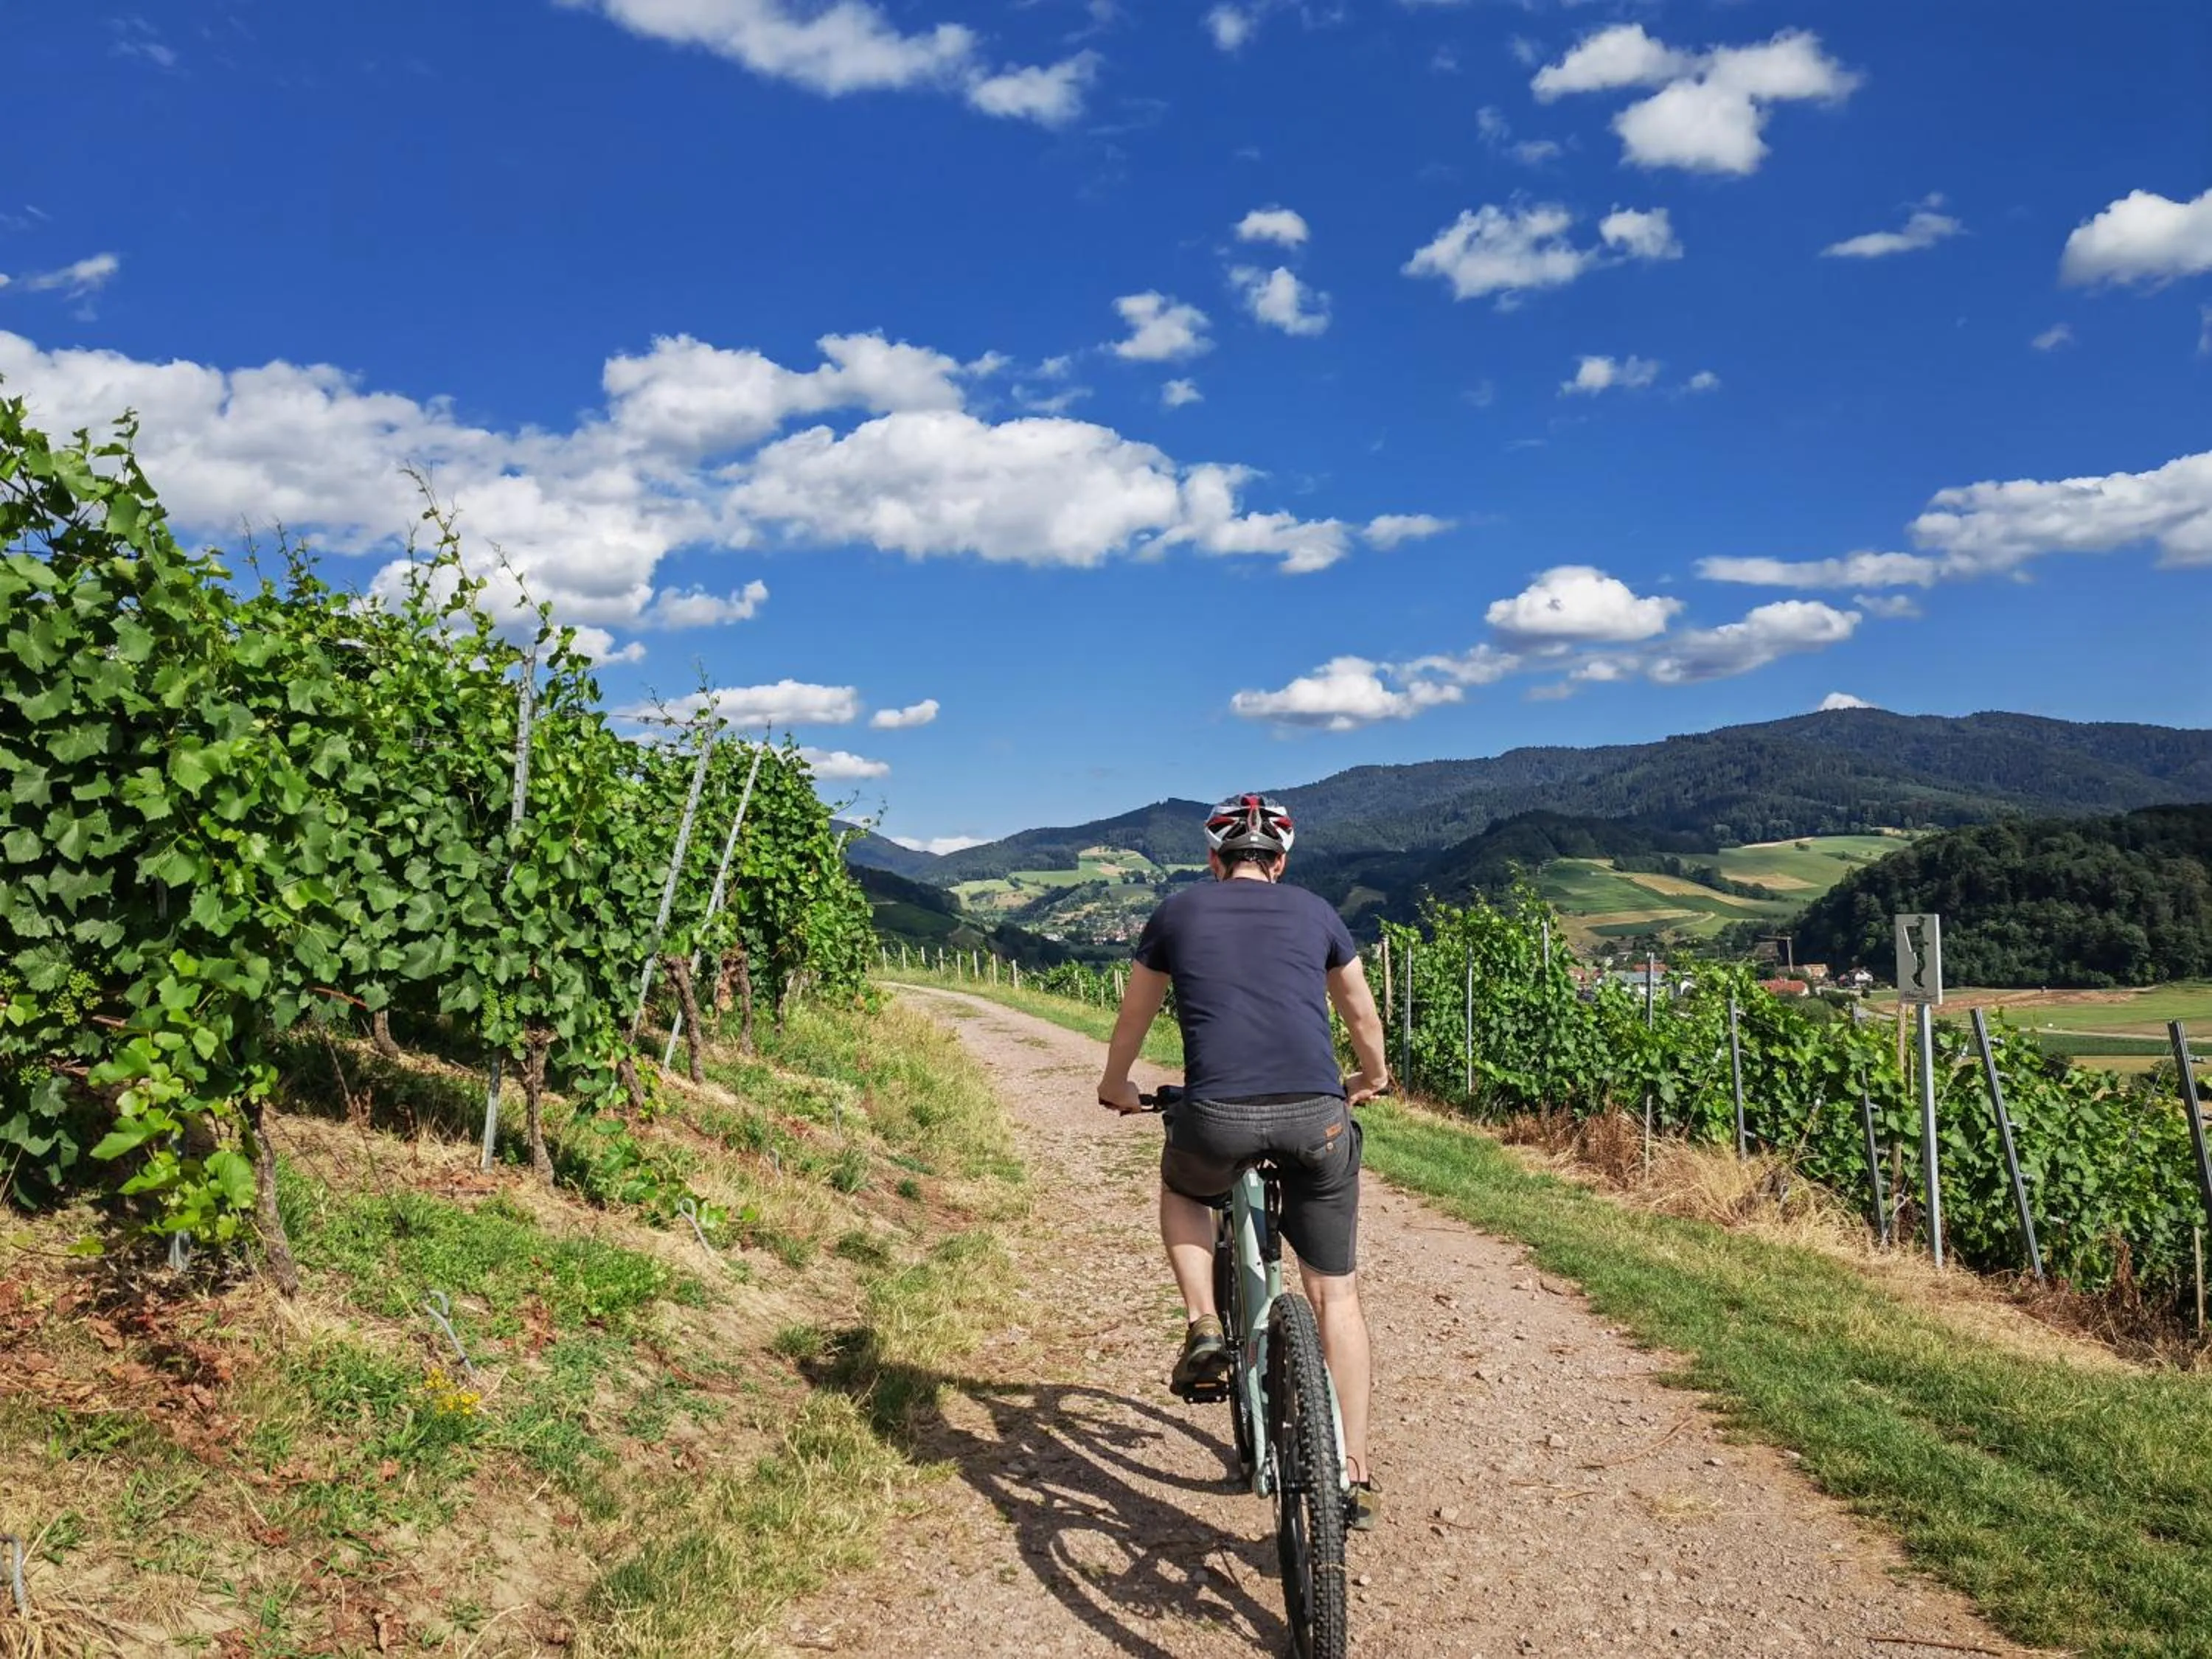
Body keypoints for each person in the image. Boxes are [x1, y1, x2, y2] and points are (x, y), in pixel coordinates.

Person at [1095, 793, 1391, 1528]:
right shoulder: (1318, 911)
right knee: (1337, 1295)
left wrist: (1116, 1085)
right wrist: (1371, 1078)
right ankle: (1351, 1470)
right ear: (1280, 862)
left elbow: (1134, 1013)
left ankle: (1203, 1322)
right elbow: (1358, 1010)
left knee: (1183, 1186)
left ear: (1213, 861)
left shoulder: (1177, 913)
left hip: (1216, 1118)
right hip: (1317, 1120)